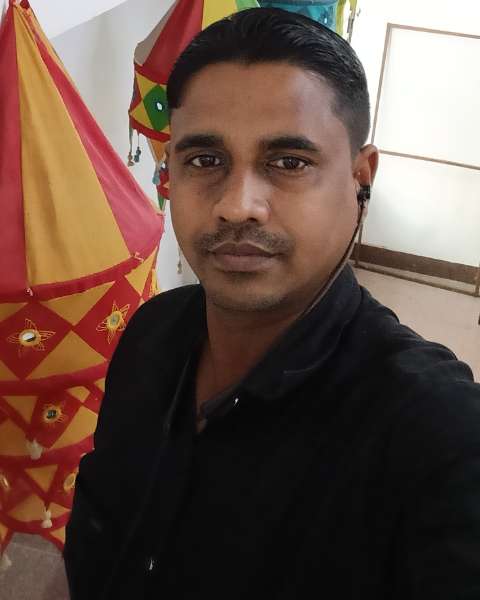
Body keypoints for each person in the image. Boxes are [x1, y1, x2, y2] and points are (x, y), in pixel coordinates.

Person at [64, 8, 480, 600]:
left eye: (289, 163)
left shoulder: (437, 436)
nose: (239, 205)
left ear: (360, 178)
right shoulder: (151, 333)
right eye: (205, 160)